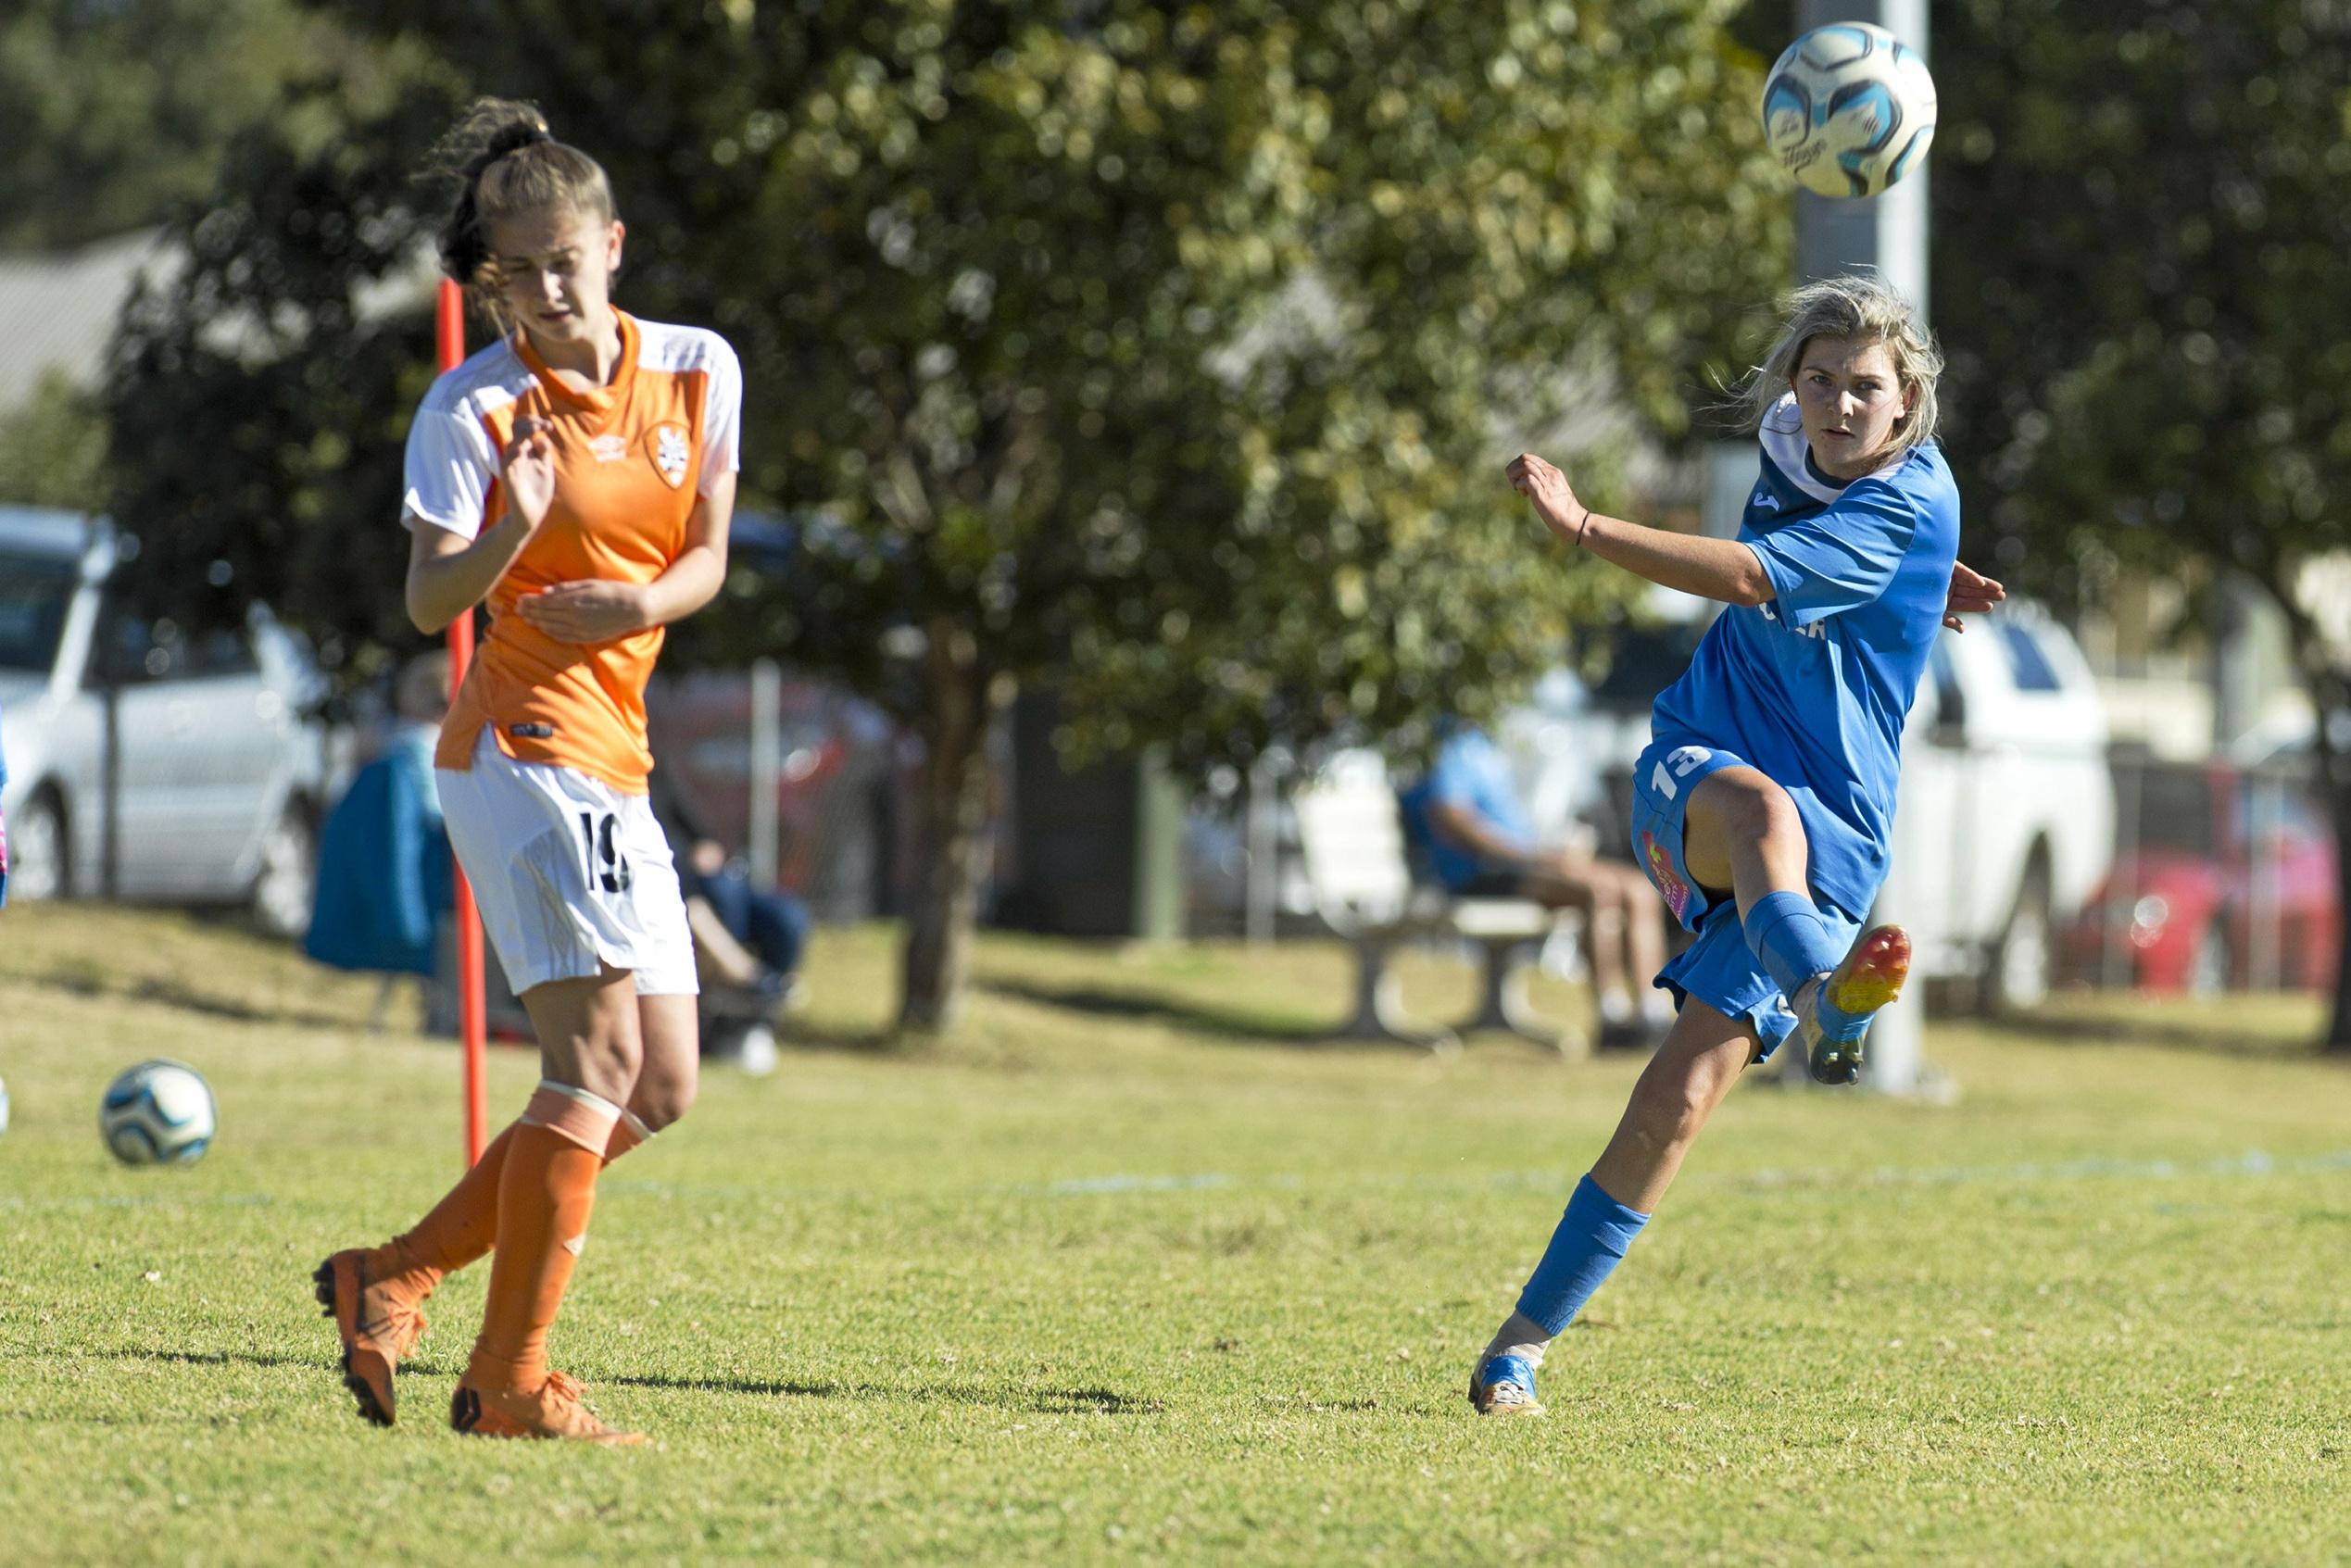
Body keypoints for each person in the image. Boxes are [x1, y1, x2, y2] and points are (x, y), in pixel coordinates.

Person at [1465, 275, 2005, 1417]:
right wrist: (1913, 586)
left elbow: (1759, 571)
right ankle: (1830, 1000)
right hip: (1698, 765)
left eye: (1867, 387)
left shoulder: (1911, 505)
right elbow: (1791, 556)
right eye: (1821, 381)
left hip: (1838, 839)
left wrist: (1585, 528)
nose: (1840, 405)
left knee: (1677, 1099)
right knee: (1758, 815)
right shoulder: (1793, 443)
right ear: (1794, 386)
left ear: (1909, 398)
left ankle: (1516, 1348)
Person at [314, 97, 742, 1445]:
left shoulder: (699, 368)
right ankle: (509, 1383)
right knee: (597, 1058)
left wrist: (641, 607)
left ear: (613, 244)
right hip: (521, 748)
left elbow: (709, 553)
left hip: (620, 754)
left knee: (659, 1085)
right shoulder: (475, 405)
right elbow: (426, 600)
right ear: (491, 275)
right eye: (521, 270)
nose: (551, 289)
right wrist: (516, 524)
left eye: (570, 258)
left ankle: (393, 1275)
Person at [1397, 722, 1675, 1047]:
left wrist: (1548, 852)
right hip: (1483, 872)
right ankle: (1610, 1015)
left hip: (1521, 860)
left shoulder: (1485, 743)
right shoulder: (1449, 747)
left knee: (1638, 888)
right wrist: (1530, 856)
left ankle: (1651, 1013)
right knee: (1599, 891)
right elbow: (1450, 818)